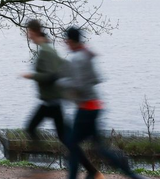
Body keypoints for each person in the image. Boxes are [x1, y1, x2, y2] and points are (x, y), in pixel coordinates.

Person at [57, 26, 144, 179]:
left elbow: (79, 86)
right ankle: (132, 175)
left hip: (85, 109)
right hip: (95, 106)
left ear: (70, 40)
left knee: (72, 143)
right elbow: (97, 79)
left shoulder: (78, 58)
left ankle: (77, 176)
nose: (65, 43)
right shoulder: (86, 54)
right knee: (100, 148)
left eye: (66, 40)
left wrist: (61, 82)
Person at [21, 19, 101, 179]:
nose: (28, 36)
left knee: (31, 127)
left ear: (35, 32)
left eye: (29, 32)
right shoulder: (47, 49)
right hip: (51, 101)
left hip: (52, 101)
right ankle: (92, 171)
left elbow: (52, 75)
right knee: (66, 139)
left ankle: (41, 168)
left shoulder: (46, 50)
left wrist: (32, 75)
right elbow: (62, 66)